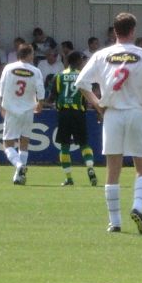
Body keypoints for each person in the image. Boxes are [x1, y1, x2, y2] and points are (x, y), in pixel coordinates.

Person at [75, 12, 142, 234]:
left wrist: (97, 104)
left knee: (113, 169)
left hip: (113, 114)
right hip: (137, 112)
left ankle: (115, 222)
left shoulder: (102, 55)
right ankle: (138, 207)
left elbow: (82, 83)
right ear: (133, 31)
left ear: (114, 31)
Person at [0, 43, 45, 185]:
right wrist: (40, 105)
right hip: (28, 110)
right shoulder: (35, 71)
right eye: (32, 53)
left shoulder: (8, 68)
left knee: (7, 145)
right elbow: (40, 91)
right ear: (29, 54)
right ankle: (19, 176)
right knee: (24, 142)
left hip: (12, 110)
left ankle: (19, 166)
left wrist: (2, 105)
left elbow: (1, 88)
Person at [50, 51, 97, 186]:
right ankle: (90, 168)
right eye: (82, 61)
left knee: (64, 146)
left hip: (64, 113)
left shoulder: (59, 76)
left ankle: (69, 178)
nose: (83, 63)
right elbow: (89, 96)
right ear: (77, 61)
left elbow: (52, 97)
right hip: (79, 114)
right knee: (84, 144)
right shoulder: (83, 76)